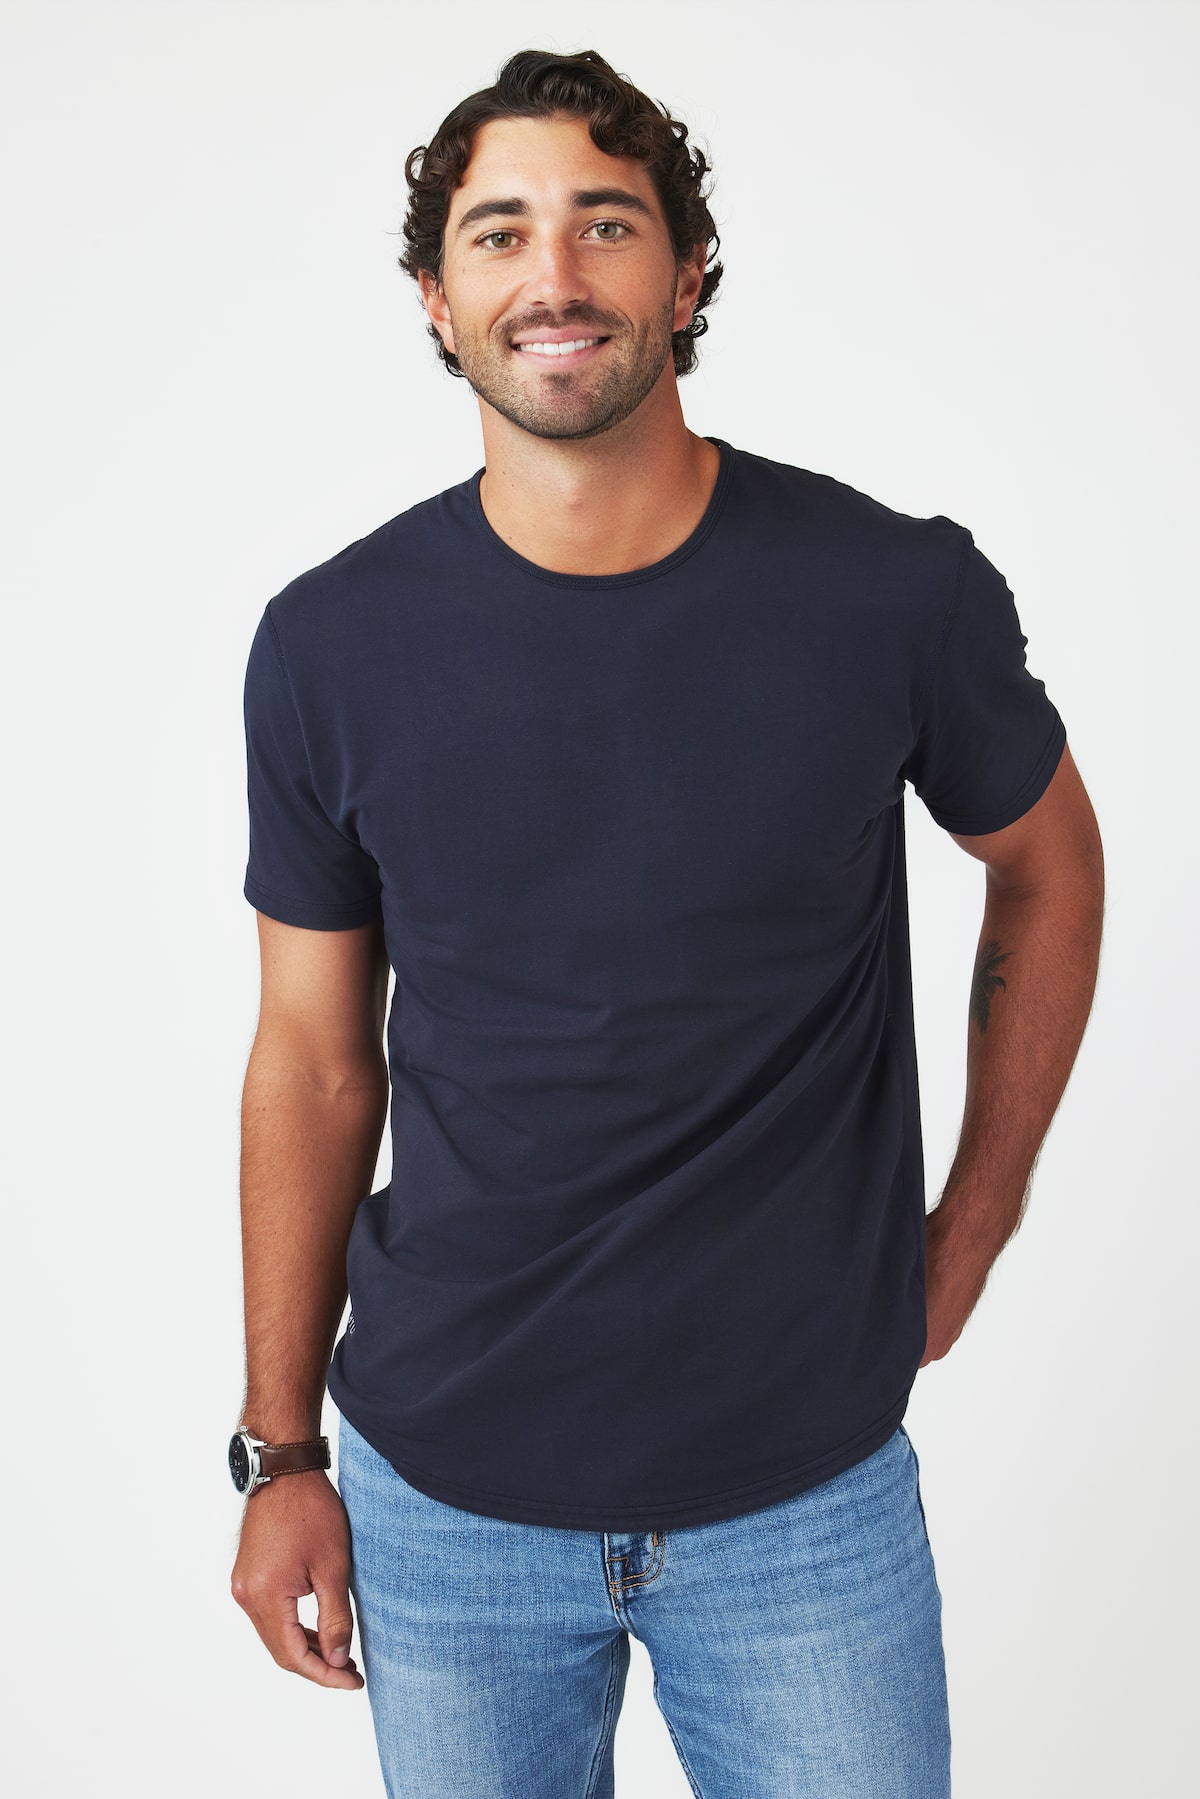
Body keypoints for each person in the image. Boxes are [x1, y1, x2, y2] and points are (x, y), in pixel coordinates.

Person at [229, 47, 1104, 1799]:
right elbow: (315, 1065)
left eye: (605, 224)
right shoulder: (329, 646)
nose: (552, 275)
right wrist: (280, 1452)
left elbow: (1051, 865)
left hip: (803, 1496)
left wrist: (980, 1215)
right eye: (499, 234)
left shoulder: (890, 592)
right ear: (436, 299)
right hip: (446, 1498)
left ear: (687, 273)